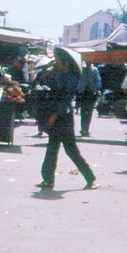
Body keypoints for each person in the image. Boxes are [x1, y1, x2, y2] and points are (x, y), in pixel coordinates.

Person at [38, 47, 97, 190]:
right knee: (52, 148)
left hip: (63, 116)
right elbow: (48, 87)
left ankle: (90, 178)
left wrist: (54, 115)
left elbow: (65, 98)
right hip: (57, 114)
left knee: (71, 150)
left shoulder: (71, 77)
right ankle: (48, 178)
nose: (55, 61)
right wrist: (48, 75)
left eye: (57, 59)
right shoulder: (58, 75)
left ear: (64, 61)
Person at [76, 60, 101, 137]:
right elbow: (78, 80)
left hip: (91, 93)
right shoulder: (81, 69)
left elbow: (98, 80)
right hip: (83, 92)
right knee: (83, 111)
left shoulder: (94, 70)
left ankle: (86, 129)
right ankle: (83, 129)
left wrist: (97, 89)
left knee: (89, 112)